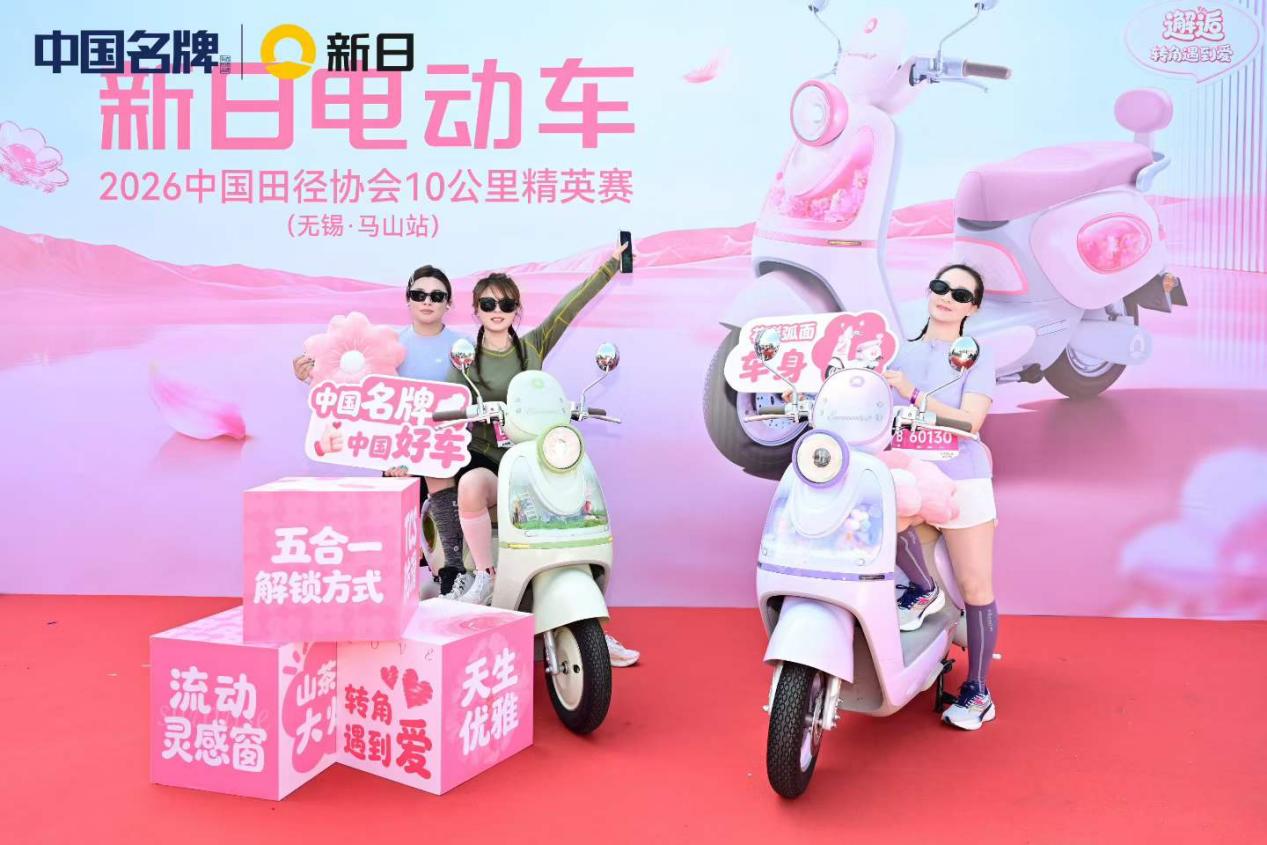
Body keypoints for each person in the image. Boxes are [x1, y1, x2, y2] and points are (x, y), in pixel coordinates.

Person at [438, 243, 639, 667]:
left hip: (535, 459)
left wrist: (609, 264)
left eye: (506, 303)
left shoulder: (532, 346)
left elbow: (571, 305)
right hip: (490, 460)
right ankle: (484, 576)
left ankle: (589, 625)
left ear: (517, 309)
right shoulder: (465, 358)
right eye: (488, 304)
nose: (497, 310)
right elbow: (448, 403)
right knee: (470, 486)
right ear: (476, 310)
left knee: (576, 518)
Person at [292, 265, 474, 598]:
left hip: (446, 449)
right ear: (408, 299)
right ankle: (393, 579)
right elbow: (357, 395)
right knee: (394, 504)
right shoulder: (389, 344)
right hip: (398, 450)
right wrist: (311, 376)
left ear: (448, 303)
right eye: (419, 294)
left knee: (441, 483)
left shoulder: (463, 346)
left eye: (437, 296)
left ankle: (453, 572)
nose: (427, 301)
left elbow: (478, 393)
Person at [882, 264, 999, 730]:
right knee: (886, 519)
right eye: (940, 287)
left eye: (960, 294)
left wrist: (912, 394)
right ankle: (924, 592)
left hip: (963, 477)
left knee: (976, 587)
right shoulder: (897, 353)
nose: (947, 298)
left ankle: (978, 690)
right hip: (911, 475)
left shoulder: (976, 357)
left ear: (974, 308)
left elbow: (971, 422)